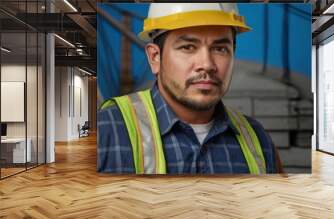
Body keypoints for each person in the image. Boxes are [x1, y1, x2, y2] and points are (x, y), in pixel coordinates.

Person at [98, 3, 282, 174]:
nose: (207, 64)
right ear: (155, 57)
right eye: (188, 47)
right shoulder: (108, 129)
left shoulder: (257, 137)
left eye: (220, 49)